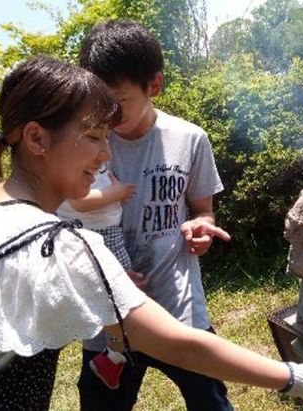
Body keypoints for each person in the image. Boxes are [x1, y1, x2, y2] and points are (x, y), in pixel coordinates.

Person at [0, 56, 303, 410]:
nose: (106, 154)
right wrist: (301, 378)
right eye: (93, 137)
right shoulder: (53, 245)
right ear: (36, 139)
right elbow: (175, 342)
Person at [77, 19, 234, 410]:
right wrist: (104, 274)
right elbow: (67, 224)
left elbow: (203, 210)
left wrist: (202, 228)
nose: (108, 115)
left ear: (154, 86)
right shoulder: (81, 146)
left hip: (179, 312)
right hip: (109, 323)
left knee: (211, 404)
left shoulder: (189, 139)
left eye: (119, 101)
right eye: (99, 102)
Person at [57, 168, 136, 389]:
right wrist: (117, 193)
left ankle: (114, 355)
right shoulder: (70, 164)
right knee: (116, 296)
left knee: (119, 292)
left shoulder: (91, 160)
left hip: (106, 231)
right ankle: (113, 355)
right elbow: (79, 201)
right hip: (94, 234)